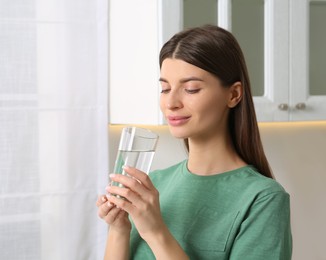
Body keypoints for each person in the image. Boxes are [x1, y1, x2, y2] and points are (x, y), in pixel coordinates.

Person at [96, 24, 292, 260]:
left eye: (191, 89)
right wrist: (119, 229)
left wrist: (155, 232)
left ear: (233, 95)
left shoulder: (263, 199)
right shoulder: (153, 185)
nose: (171, 103)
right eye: (165, 88)